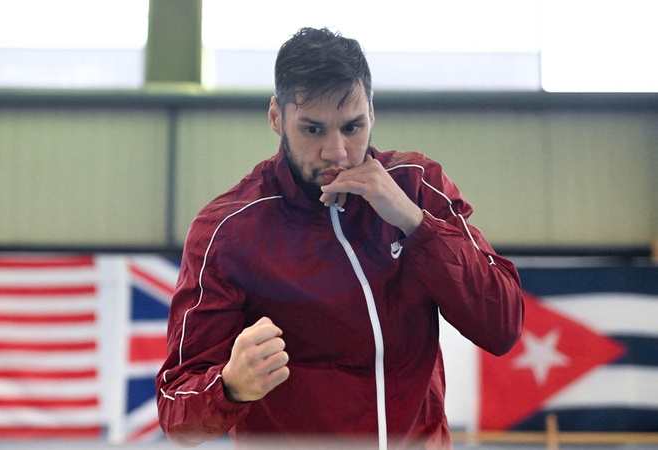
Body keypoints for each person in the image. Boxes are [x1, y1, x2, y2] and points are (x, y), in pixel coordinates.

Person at [156, 27, 524, 449]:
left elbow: (502, 325)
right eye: (313, 130)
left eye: (352, 127)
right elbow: (175, 412)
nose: (336, 151)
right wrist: (229, 386)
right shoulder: (229, 230)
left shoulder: (418, 186)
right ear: (276, 117)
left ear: (372, 113)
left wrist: (415, 222)